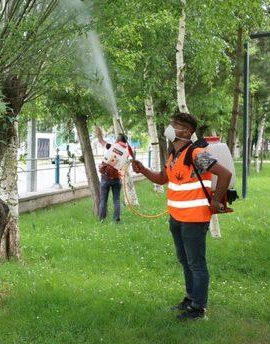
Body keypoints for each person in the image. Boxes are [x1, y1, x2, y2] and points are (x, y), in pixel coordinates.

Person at [131, 112, 232, 321]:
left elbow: (225, 174)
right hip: (176, 218)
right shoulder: (173, 154)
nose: (170, 128)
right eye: (171, 124)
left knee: (196, 263)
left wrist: (215, 202)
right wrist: (142, 170)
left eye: (175, 125)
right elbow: (161, 179)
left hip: (194, 219)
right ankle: (190, 297)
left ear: (187, 131)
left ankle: (199, 308)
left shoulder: (196, 153)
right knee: (184, 260)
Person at [95, 126, 134, 224]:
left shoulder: (112, 146)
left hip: (106, 177)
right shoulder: (127, 152)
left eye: (116, 138)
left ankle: (102, 220)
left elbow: (101, 141)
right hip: (117, 178)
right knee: (116, 200)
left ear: (118, 140)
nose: (115, 139)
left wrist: (99, 133)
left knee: (103, 200)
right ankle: (116, 220)